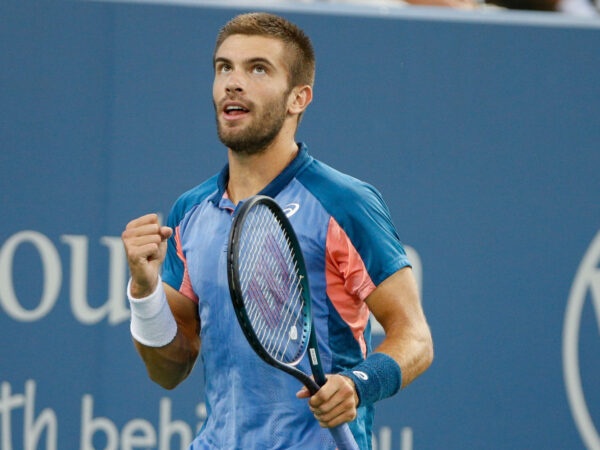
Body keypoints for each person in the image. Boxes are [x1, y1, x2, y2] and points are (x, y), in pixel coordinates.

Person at [121, 12, 433, 450]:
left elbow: (415, 336)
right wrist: (144, 291)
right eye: (223, 67)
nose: (233, 82)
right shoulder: (190, 211)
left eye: (258, 69)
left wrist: (359, 384)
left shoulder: (344, 202)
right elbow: (168, 371)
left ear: (298, 98)